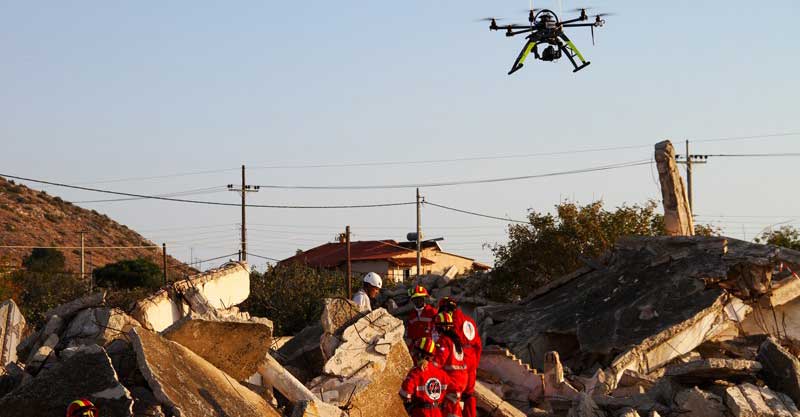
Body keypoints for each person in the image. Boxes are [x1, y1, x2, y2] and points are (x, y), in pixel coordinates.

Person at [438, 297, 482, 417]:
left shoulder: (450, 322)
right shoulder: (469, 321)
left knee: (453, 397)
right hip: (472, 359)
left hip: (459, 361)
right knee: (469, 395)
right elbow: (478, 345)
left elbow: (447, 344)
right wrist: (475, 364)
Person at [399, 337, 450, 417]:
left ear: (420, 354)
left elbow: (405, 394)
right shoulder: (442, 374)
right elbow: (446, 391)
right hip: (437, 413)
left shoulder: (415, 373)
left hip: (420, 413)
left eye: (416, 352)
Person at [433, 312, 468, 417]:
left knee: (449, 408)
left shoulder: (445, 340)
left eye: (438, 327)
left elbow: (439, 361)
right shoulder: (457, 341)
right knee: (454, 406)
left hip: (451, 380)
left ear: (441, 327)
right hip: (461, 379)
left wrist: (427, 368)